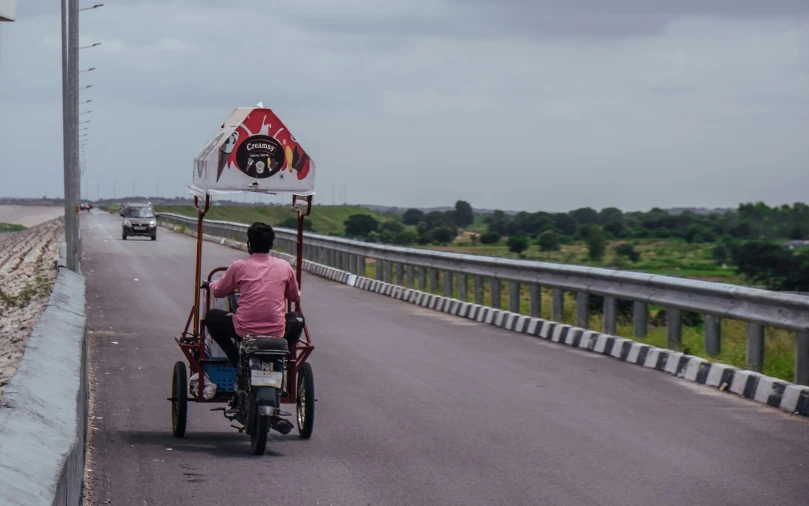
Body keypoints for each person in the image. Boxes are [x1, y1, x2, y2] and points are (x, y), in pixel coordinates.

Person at [202, 222, 301, 367]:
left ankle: (234, 357)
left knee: (211, 317)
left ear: (249, 244)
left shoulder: (239, 266)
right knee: (298, 319)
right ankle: (281, 354)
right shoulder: (284, 266)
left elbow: (219, 291)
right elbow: (294, 297)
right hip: (277, 331)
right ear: (271, 245)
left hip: (244, 330)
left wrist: (209, 284)